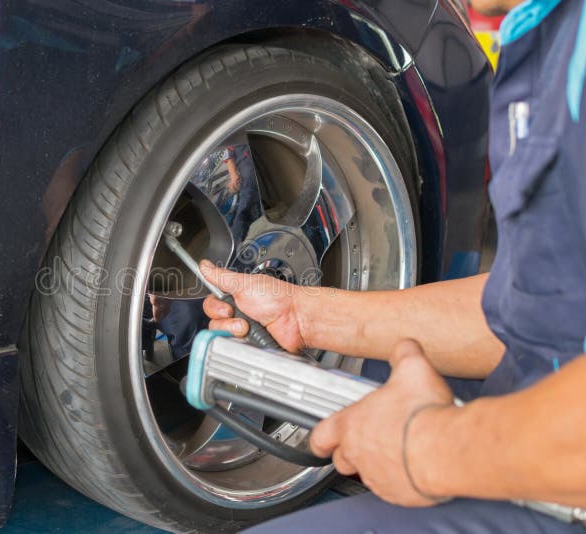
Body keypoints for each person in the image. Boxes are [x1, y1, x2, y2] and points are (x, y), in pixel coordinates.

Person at [200, 0, 586, 531]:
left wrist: (428, 446)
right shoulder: (543, 39)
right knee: (367, 376)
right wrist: (308, 316)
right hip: (541, 420)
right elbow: (534, 310)